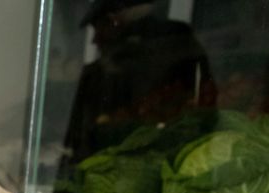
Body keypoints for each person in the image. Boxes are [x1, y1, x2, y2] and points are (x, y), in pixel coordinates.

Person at [63, 0, 216, 164]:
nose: (95, 40)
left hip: (144, 161)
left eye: (99, 29)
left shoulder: (161, 47)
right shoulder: (177, 39)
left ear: (114, 22)